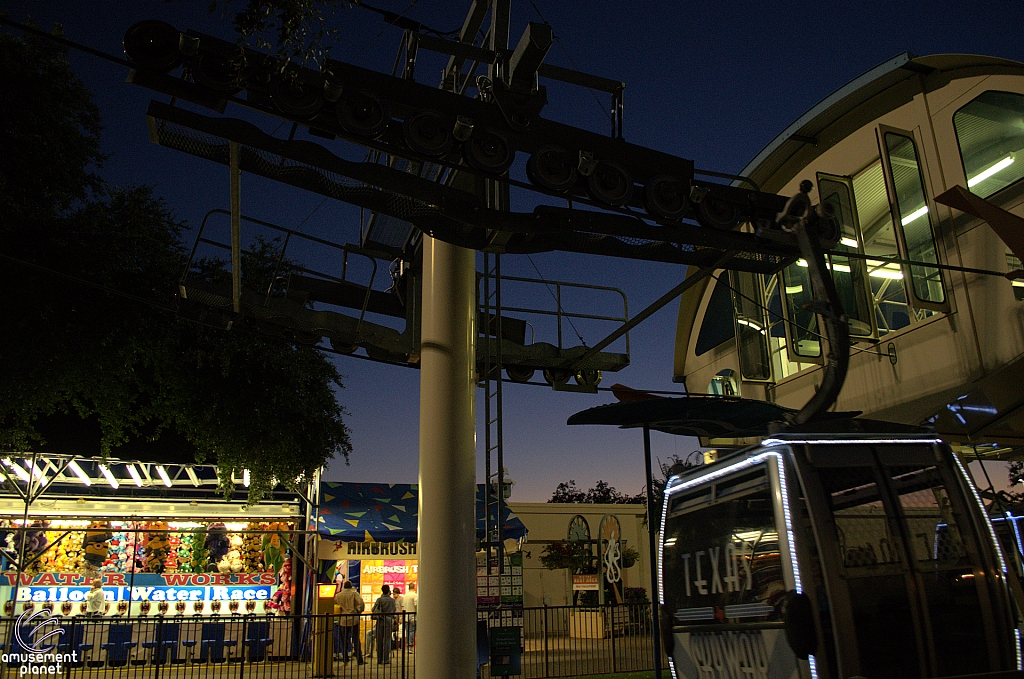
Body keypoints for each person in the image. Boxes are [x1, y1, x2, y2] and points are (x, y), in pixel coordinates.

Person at [334, 581, 364, 664]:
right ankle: (359, 659)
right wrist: (359, 610)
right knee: (355, 639)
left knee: (343, 640)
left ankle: (345, 658)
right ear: (351, 587)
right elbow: (361, 603)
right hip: (354, 619)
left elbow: (335, 604)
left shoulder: (338, 595)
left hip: (343, 620)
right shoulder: (354, 594)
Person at [370, 585, 395, 664]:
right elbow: (393, 610)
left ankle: (379, 659)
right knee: (387, 640)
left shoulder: (379, 600)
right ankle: (386, 659)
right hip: (388, 621)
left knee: (379, 640)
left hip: (380, 621)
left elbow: (374, 609)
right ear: (389, 591)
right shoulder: (392, 601)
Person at [403, 583, 417, 648]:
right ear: (414, 587)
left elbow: (403, 606)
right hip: (413, 615)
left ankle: (407, 644)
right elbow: (416, 605)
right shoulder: (415, 595)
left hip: (405, 615)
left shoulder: (405, 595)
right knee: (412, 630)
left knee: (407, 631)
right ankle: (410, 646)